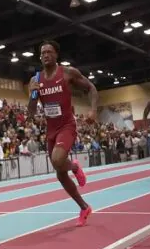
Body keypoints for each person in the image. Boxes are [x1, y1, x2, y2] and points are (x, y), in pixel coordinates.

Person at [28, 40, 98, 227]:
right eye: (42, 53)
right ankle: (84, 207)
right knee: (60, 174)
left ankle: (74, 167)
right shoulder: (36, 80)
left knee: (58, 160)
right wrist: (32, 95)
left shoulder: (68, 73)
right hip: (51, 129)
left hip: (67, 125)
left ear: (56, 55)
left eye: (49, 52)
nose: (45, 55)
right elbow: (31, 113)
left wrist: (93, 110)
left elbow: (91, 88)